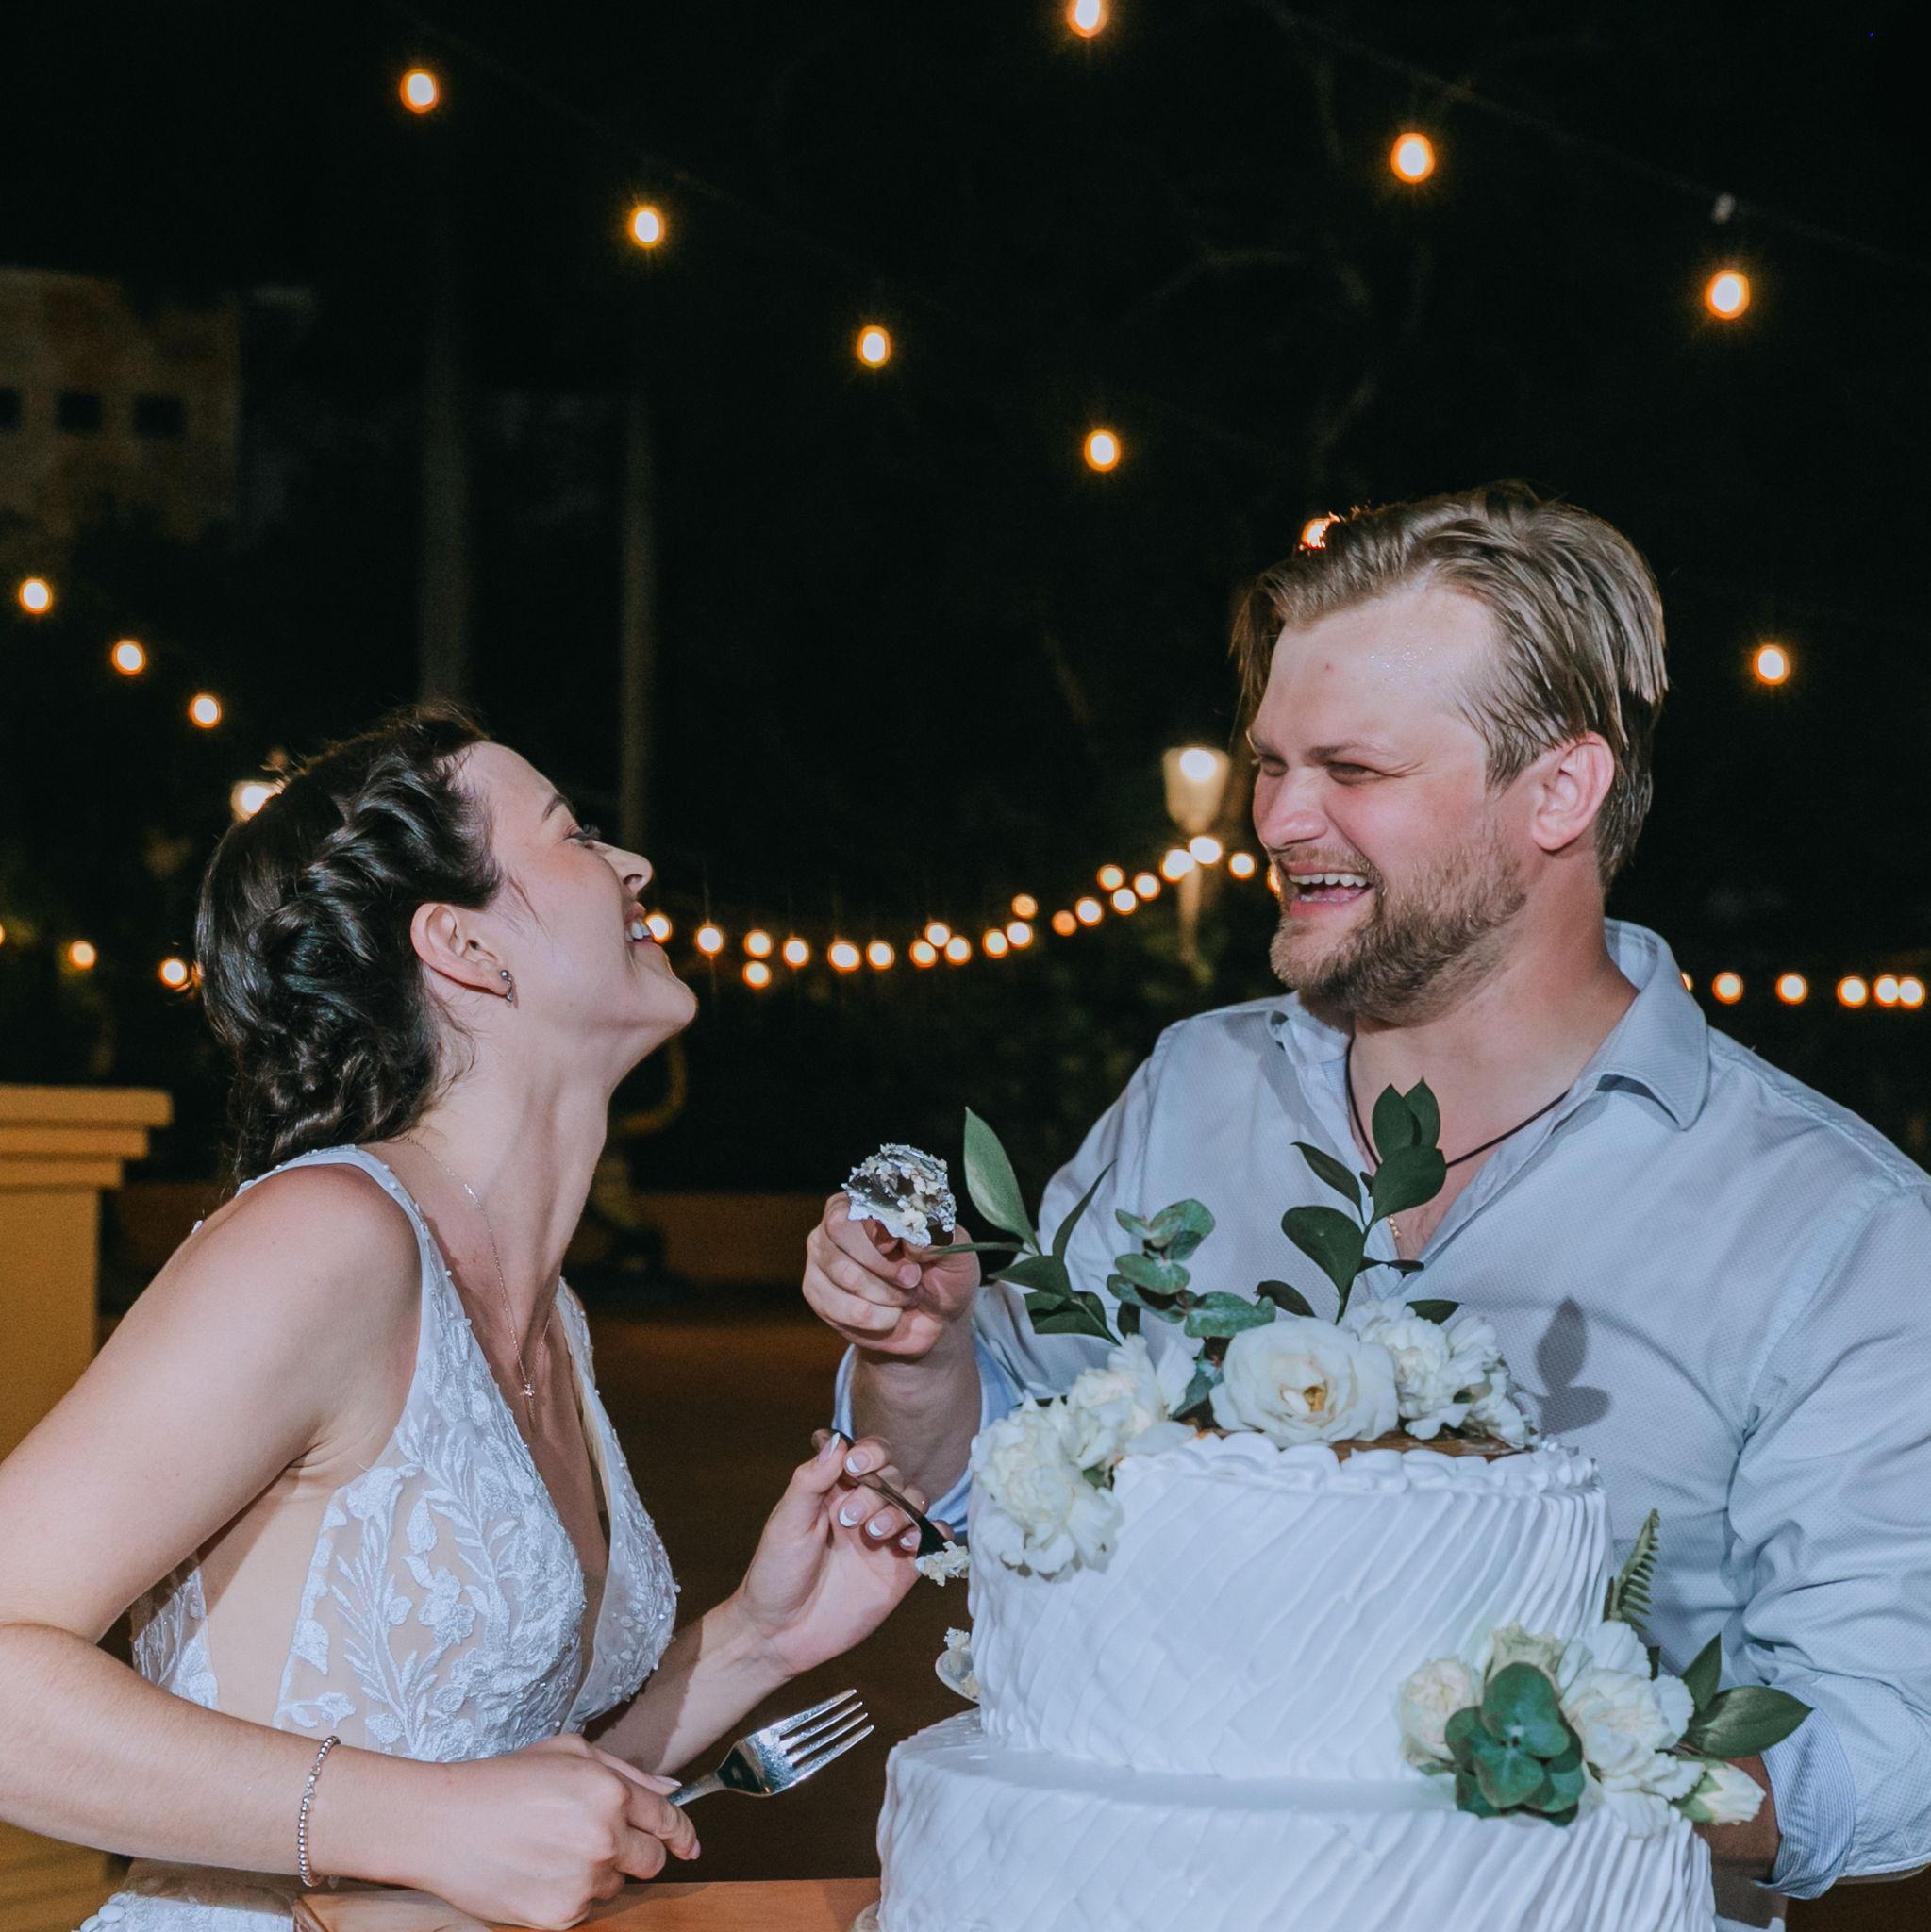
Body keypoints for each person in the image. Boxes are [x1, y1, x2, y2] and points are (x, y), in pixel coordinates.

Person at [803, 483, 1931, 1930]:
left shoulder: (1834, 1228)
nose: (1277, 816)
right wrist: (923, 1360)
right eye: (1270, 761)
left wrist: (1573, 1771)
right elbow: (977, 1491)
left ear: (1560, 791)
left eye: (1352, 767)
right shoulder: (1192, 1092)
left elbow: (1885, 1750)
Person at [0, 704, 933, 1932]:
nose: (633, 864)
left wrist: (759, 1638)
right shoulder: (329, 1241)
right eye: (574, 834)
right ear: (463, 948)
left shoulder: (554, 1313)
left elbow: (506, 1805)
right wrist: (417, 1825)